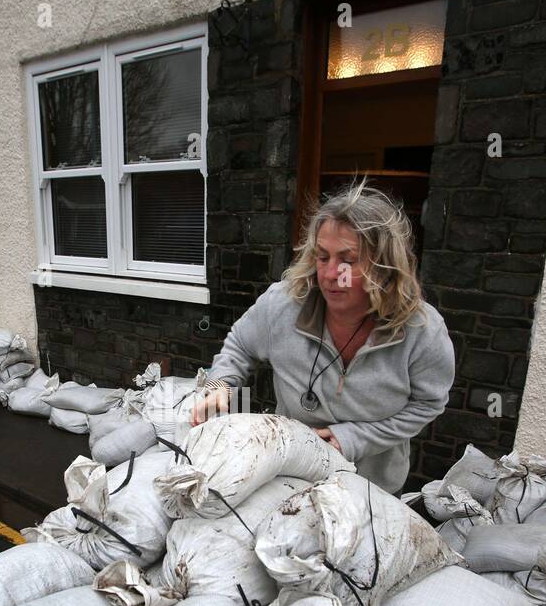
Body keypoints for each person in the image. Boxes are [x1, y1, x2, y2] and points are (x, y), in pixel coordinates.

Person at [191, 181, 456, 496]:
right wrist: (220, 385)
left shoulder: (423, 331)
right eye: (322, 257)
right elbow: (240, 347)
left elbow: (428, 403)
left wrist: (354, 438)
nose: (331, 274)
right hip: (290, 477)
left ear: (384, 266)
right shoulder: (281, 305)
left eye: (348, 259)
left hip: (372, 487)